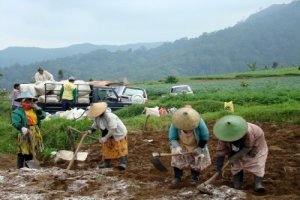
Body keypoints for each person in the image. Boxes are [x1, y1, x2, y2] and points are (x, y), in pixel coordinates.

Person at [213, 115, 268, 192]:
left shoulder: (248, 132)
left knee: (257, 164)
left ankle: (258, 184)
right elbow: (220, 152)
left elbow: (248, 147)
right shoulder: (223, 136)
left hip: (255, 145)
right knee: (236, 165)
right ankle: (238, 184)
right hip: (235, 148)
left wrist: (234, 157)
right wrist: (219, 167)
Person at [169, 106, 211, 184]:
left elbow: (205, 137)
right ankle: (178, 176)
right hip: (181, 144)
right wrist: (177, 147)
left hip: (196, 143)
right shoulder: (175, 123)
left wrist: (199, 148)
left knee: (196, 159)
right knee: (176, 157)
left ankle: (195, 177)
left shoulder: (199, 122)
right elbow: (172, 137)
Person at [84, 102, 128, 170]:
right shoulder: (97, 118)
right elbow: (94, 126)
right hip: (106, 131)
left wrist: (105, 138)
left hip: (118, 132)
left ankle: (123, 163)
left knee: (121, 147)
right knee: (107, 147)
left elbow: (113, 129)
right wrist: (88, 131)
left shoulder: (110, 116)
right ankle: (106, 163)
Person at [11, 92, 46, 169]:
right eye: (26, 102)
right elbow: (15, 122)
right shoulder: (17, 112)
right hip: (25, 131)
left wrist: (38, 109)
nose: (29, 104)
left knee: (32, 149)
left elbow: (43, 116)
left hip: (35, 131)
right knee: (23, 149)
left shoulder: (34, 110)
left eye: (30, 102)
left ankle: (29, 167)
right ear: (21, 103)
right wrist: (22, 128)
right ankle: (20, 167)